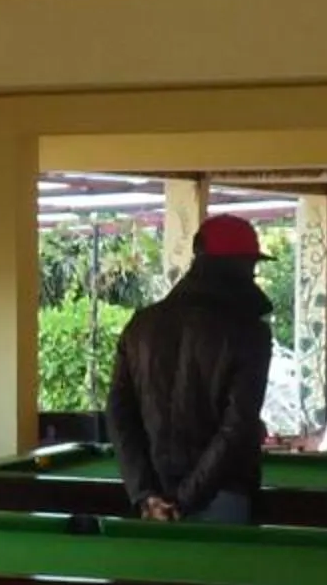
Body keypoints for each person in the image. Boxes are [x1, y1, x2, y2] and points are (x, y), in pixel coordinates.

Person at [105, 214, 274, 523]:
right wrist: (182, 502)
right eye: (251, 264)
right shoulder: (250, 332)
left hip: (153, 501)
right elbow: (237, 426)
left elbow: (119, 414)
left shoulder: (141, 325)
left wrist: (145, 493)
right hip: (223, 496)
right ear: (241, 265)